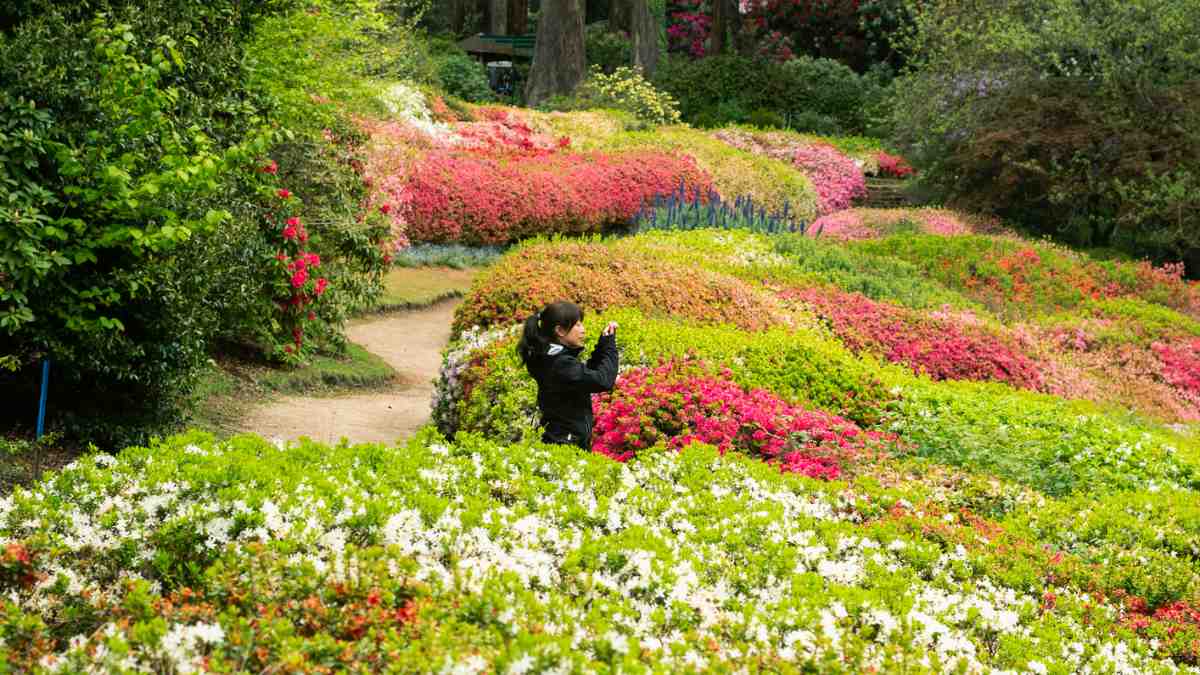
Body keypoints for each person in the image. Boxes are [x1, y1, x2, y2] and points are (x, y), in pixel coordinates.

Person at [517, 301, 618, 450]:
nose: (583, 330)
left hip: (561, 439)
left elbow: (584, 377)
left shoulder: (549, 355)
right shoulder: (560, 363)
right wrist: (609, 347)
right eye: (577, 325)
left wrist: (602, 346)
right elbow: (602, 381)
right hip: (567, 443)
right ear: (560, 331)